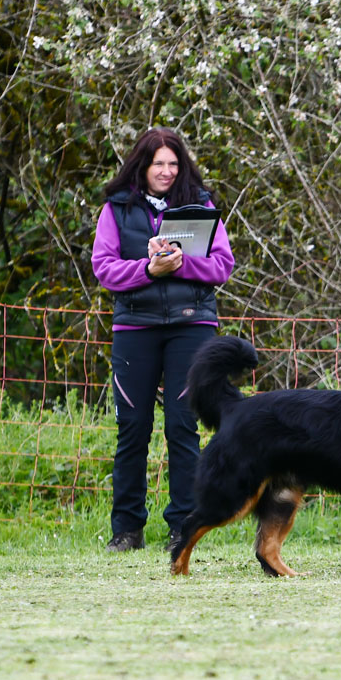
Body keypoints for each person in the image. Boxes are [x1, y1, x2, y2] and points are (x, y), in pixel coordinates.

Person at [91, 128, 235, 552]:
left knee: (182, 427)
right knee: (132, 428)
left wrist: (181, 264)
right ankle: (127, 529)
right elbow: (104, 268)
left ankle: (184, 525)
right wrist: (148, 271)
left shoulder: (202, 207)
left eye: (174, 164)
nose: (167, 172)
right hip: (135, 329)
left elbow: (222, 265)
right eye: (159, 164)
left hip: (192, 327)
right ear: (143, 165)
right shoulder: (116, 210)